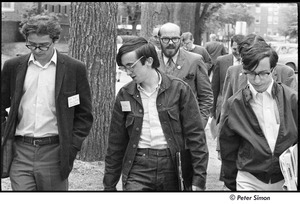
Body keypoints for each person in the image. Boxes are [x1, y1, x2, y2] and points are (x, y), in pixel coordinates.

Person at [0, 14, 93, 191]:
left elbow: (84, 114)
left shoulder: (74, 68)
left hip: (55, 151)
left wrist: (72, 146)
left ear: (55, 40)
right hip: (20, 151)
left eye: (43, 45)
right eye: (31, 44)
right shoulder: (13, 66)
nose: (36, 50)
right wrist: (5, 132)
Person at [103, 37, 208, 191]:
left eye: (131, 66)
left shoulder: (179, 90)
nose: (128, 72)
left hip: (173, 166)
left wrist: (199, 179)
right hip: (138, 167)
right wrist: (109, 185)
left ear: (149, 61)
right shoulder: (125, 95)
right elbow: (116, 143)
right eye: (124, 68)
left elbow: (196, 136)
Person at [216, 34, 298, 188]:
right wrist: (230, 181)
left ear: (273, 70)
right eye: (251, 74)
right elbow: (229, 146)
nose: (257, 80)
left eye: (263, 73)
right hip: (249, 178)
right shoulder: (235, 104)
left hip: (286, 178)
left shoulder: (292, 99)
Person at [156, 22, 213, 127]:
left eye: (175, 39)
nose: (171, 43)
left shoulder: (195, 60)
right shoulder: (151, 60)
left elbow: (206, 96)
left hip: (187, 126)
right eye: (165, 39)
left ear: (181, 39)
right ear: (159, 39)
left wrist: (200, 124)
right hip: (158, 126)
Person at [211, 34, 244, 127]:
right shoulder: (221, 61)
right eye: (234, 49)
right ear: (230, 47)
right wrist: (212, 109)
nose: (237, 52)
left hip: (241, 109)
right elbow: (214, 86)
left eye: (240, 49)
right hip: (223, 106)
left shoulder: (250, 62)